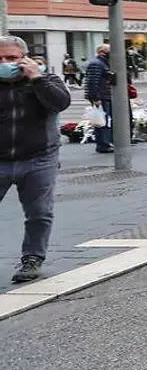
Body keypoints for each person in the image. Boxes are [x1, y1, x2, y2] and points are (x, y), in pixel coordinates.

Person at [0, 36, 70, 283]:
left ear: (24, 58)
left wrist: (36, 78)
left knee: (39, 212)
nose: (4, 63)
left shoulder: (46, 80)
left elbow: (60, 103)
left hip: (39, 158)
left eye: (11, 58)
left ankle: (32, 258)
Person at [83, 44, 114, 154]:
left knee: (105, 120)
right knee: (102, 121)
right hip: (101, 96)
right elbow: (92, 82)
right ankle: (103, 144)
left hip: (104, 95)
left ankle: (106, 142)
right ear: (102, 52)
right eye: (109, 50)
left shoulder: (102, 63)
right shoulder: (97, 64)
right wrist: (95, 98)